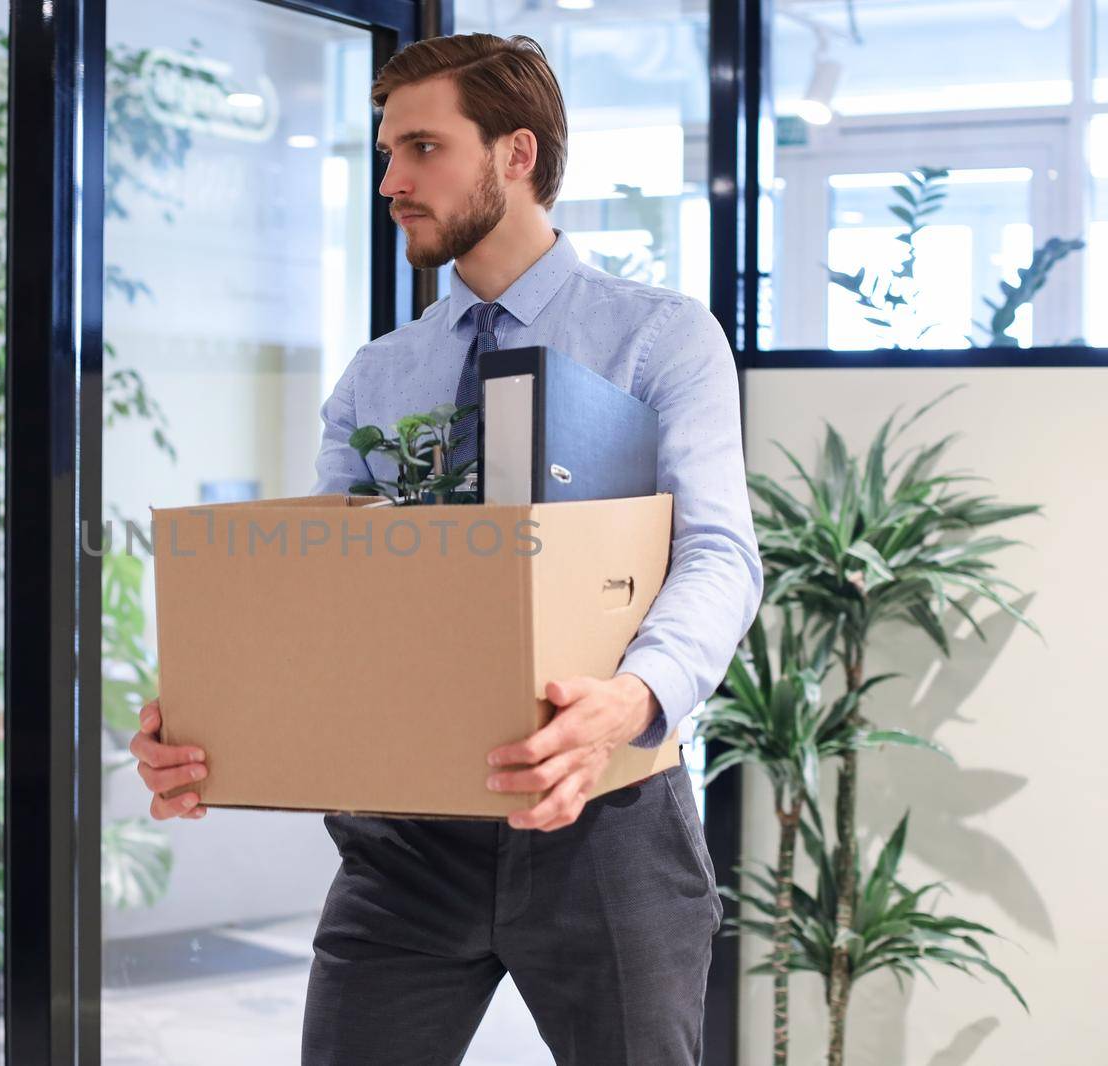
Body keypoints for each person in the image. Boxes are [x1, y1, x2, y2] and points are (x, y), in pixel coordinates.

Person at [131, 31, 762, 1066]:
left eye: (421, 148)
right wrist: (213, 720)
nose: (391, 181)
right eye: (386, 152)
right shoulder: (379, 377)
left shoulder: (658, 336)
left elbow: (720, 555)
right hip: (406, 841)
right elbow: (318, 598)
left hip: (603, 819)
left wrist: (632, 698)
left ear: (515, 155)